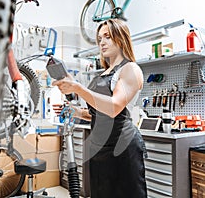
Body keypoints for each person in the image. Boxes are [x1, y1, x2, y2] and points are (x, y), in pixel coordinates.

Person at [52, 18, 147, 198]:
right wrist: (77, 112)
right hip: (99, 148)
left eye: (107, 37)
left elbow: (113, 108)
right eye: (99, 38)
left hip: (122, 146)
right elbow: (99, 114)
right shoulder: (104, 72)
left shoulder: (130, 69)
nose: (102, 42)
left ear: (121, 38)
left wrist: (79, 88)